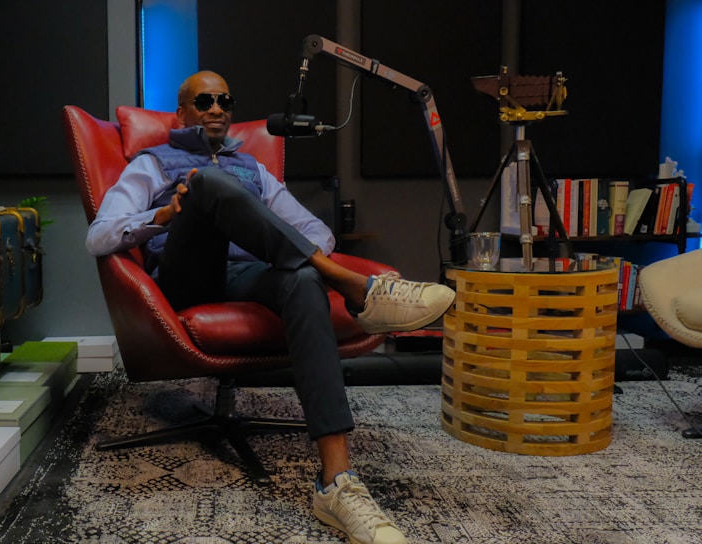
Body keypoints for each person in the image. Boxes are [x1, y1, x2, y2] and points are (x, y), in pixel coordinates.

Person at [86, 70, 455, 544]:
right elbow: (99, 235)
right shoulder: (153, 163)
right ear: (180, 112)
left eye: (225, 99)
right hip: (186, 278)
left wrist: (275, 241)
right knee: (206, 185)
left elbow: (316, 232)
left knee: (301, 278)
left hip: (245, 274)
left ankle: (336, 483)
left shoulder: (255, 170)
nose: (217, 108)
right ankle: (356, 289)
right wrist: (161, 215)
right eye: (204, 100)